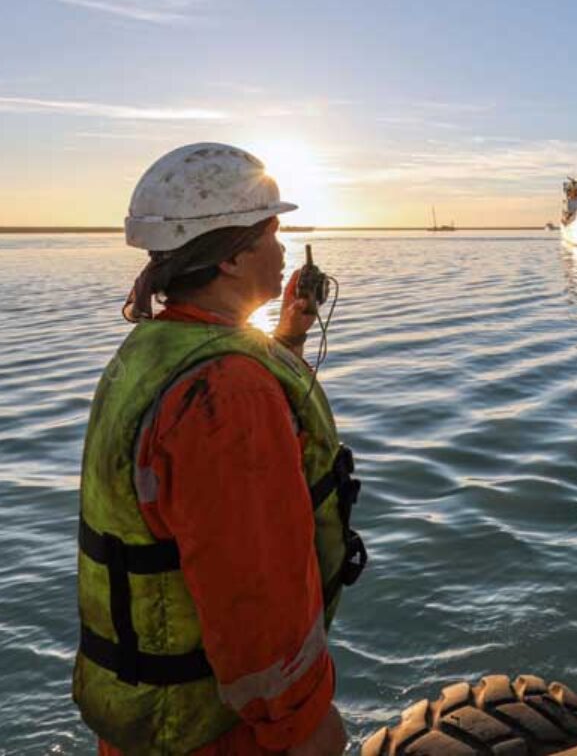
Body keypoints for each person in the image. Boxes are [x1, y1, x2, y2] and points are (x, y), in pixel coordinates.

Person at [74, 143, 365, 755]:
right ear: (232, 257)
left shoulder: (152, 351)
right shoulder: (229, 395)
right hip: (223, 735)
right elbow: (256, 607)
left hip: (152, 726)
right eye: (271, 233)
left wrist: (288, 332)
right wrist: (304, 727)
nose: (283, 251)